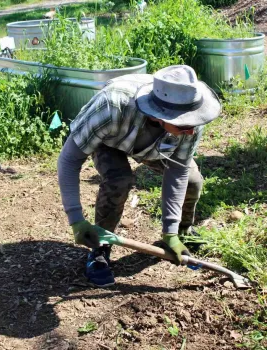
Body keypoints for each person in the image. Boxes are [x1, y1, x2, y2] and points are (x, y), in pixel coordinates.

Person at [58, 65, 221, 287]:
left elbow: (179, 170)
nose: (192, 131)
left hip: (157, 144)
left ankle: (182, 231)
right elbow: (69, 160)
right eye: (186, 125)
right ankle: (100, 247)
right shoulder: (111, 106)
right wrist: (76, 219)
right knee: (119, 180)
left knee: (193, 181)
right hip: (110, 139)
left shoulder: (189, 118)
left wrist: (170, 230)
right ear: (161, 115)